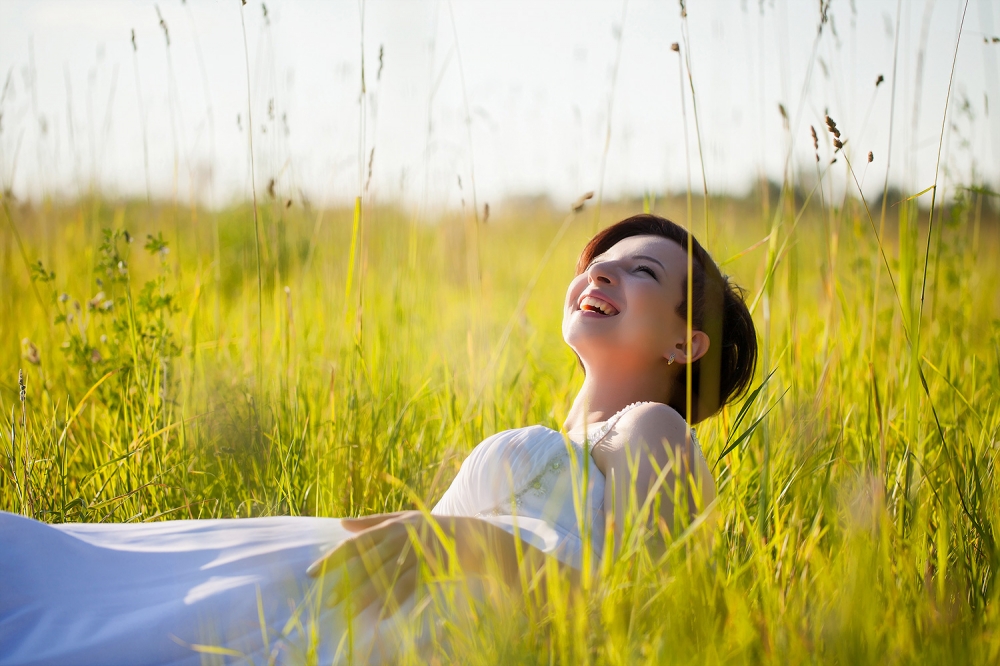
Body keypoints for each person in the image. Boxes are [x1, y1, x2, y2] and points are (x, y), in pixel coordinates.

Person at [0, 214, 757, 665]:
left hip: (438, 624)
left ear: (686, 344)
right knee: (86, 586)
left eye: (642, 270)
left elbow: (641, 608)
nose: (602, 271)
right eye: (599, 260)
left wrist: (468, 545)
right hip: (390, 603)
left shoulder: (651, 427)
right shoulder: (559, 442)